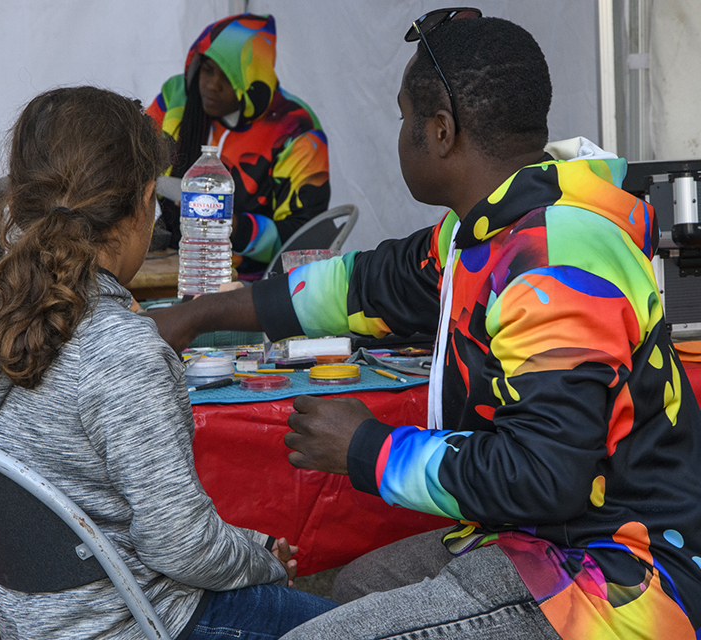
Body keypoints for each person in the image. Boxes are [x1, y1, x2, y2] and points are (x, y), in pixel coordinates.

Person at [146, 10, 701, 640]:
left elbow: (543, 476)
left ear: (439, 132)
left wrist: (367, 448)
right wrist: (197, 316)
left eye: (405, 117)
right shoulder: (483, 232)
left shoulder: (555, 259)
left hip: (612, 578)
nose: (401, 133)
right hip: (532, 539)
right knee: (355, 589)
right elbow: (363, 286)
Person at [0, 86, 336, 640]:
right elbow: (179, 545)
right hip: (144, 621)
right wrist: (266, 563)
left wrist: (246, 547)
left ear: (18, 204)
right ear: (142, 204)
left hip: (42, 624)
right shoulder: (121, 350)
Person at [145, 13, 331, 278]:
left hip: (250, 285)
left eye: (230, 77)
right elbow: (135, 158)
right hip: (174, 263)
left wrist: (234, 225)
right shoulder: (176, 97)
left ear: (254, 79)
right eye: (207, 69)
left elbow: (304, 238)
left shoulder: (295, 128)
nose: (212, 85)